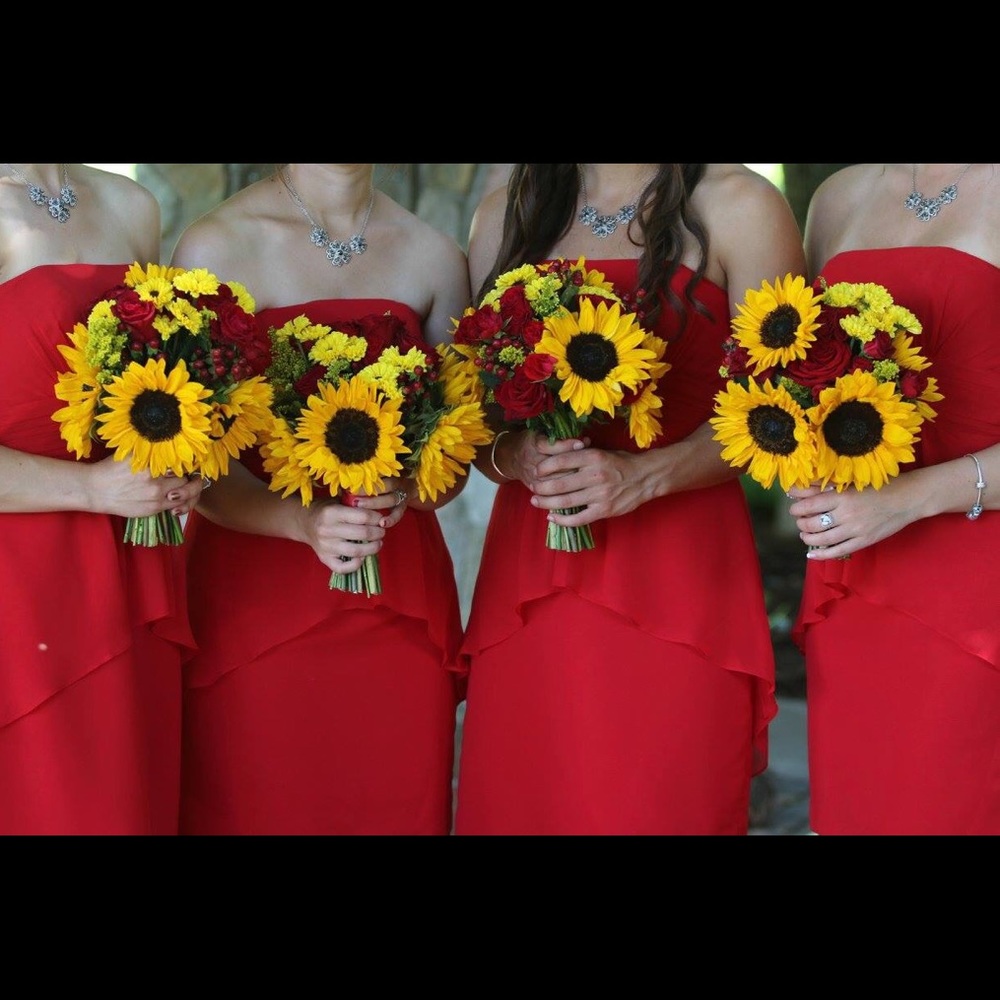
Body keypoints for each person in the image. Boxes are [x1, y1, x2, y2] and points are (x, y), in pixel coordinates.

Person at [453, 163, 807, 835]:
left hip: (679, 577)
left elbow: (781, 408)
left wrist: (646, 475)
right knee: (527, 803)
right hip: (534, 580)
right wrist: (519, 456)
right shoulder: (509, 210)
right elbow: (478, 421)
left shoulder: (742, 204)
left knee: (661, 801)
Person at [170, 163, 470, 835]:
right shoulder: (214, 247)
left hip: (396, 603)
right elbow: (194, 463)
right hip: (254, 599)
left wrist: (409, 488)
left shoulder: (434, 254)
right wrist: (300, 522)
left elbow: (455, 461)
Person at [788, 162, 1000, 835]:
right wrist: (796, 458)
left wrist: (910, 498)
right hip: (854, 574)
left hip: (979, 581)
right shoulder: (838, 196)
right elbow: (799, 370)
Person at [0, 163, 205, 835]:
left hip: (133, 564)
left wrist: (185, 457)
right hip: (21, 580)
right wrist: (91, 488)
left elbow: (160, 372)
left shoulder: (131, 204)